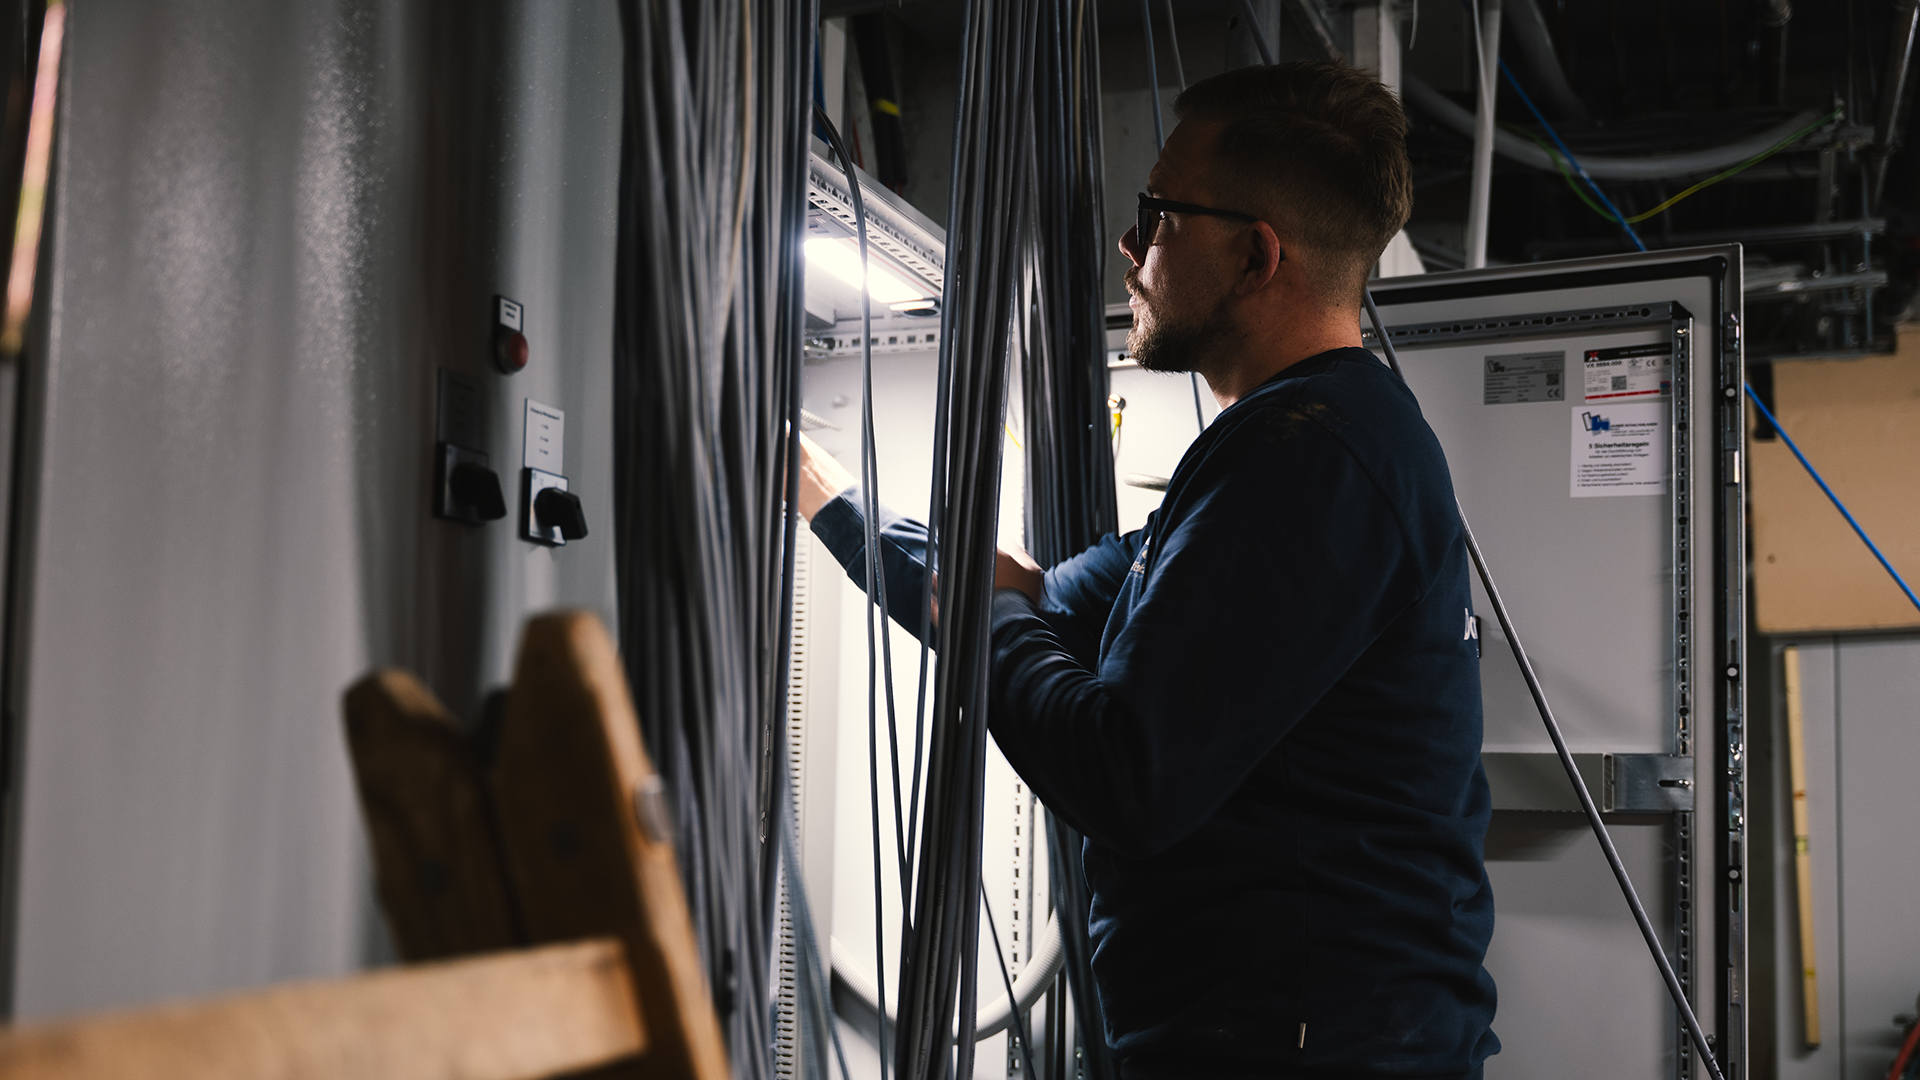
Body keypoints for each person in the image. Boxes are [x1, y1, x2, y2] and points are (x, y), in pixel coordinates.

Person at [794, 61, 1497, 1079]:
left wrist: (990, 615)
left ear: (1258, 257)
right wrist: (829, 499)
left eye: (1159, 213)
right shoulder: (1278, 453)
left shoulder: (1319, 458)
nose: (1130, 245)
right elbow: (1037, 597)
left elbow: (1128, 777)